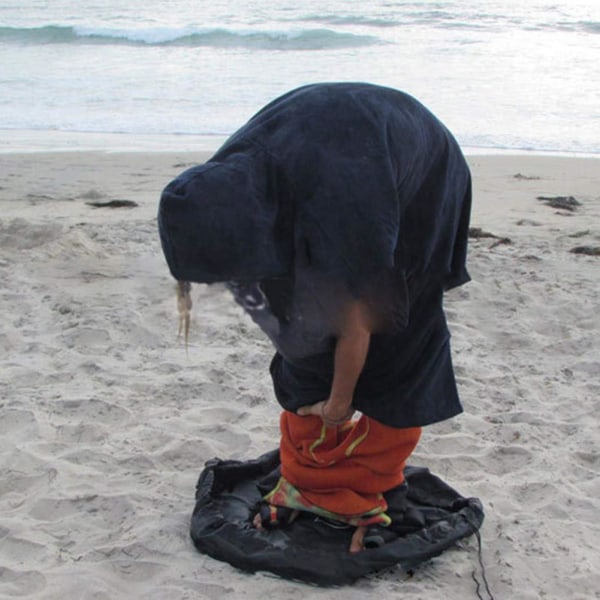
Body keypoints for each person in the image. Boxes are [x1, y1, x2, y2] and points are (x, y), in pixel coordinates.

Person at [158, 82, 472, 553]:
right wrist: (304, 374)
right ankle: (312, 481)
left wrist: (339, 404)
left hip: (421, 171)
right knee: (305, 345)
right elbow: (276, 304)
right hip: (330, 144)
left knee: (398, 335)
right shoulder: (219, 185)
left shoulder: (343, 209)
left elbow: (359, 322)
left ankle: (360, 487)